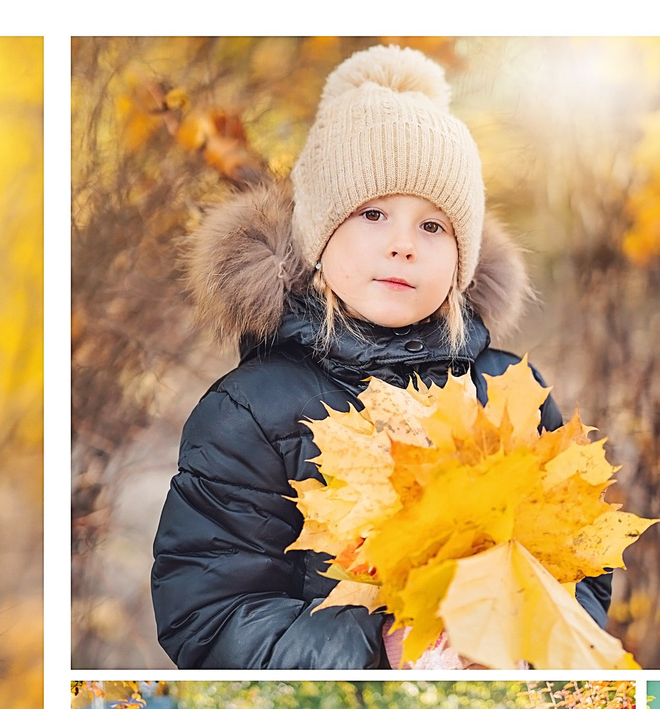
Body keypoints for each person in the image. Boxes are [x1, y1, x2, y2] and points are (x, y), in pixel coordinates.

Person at [151, 44, 607, 669]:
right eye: (372, 214)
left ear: (461, 260)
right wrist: (378, 650)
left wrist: (532, 640)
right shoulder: (253, 410)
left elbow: (580, 559)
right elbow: (209, 615)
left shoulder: (507, 391)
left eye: (433, 227)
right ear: (319, 235)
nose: (401, 246)